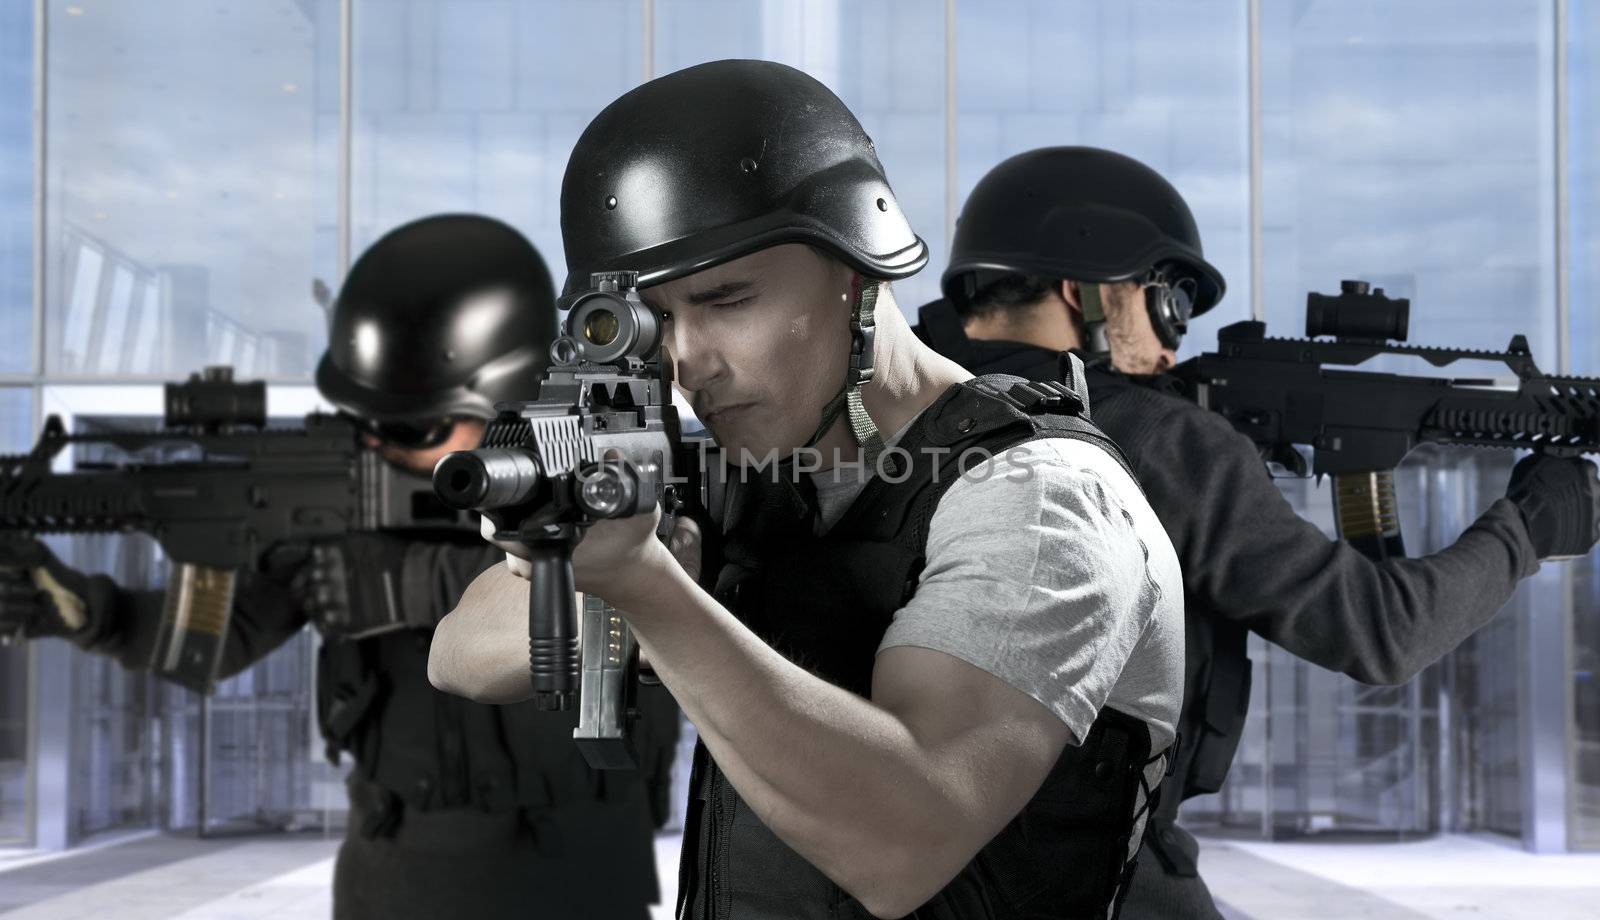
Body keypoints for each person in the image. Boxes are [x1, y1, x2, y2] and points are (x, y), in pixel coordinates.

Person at [428, 60, 1185, 920]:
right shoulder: (746, 478)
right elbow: (457, 655)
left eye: (727, 299)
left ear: (856, 271)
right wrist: (603, 570)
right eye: (658, 321)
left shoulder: (1040, 499)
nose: (690, 364)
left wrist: (648, 588)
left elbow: (903, 845)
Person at [917, 145, 1600, 919]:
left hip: (887, 860)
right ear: (1091, 291)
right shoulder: (1161, 439)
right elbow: (1379, 632)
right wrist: (1529, 528)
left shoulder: (899, 409)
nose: (1174, 340)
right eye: (1166, 299)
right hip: (1089, 876)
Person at [0, 214, 677, 920]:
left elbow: (637, 590)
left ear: (512, 395)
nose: (385, 447)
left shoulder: (612, 475)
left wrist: (406, 582)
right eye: (368, 419)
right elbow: (221, 638)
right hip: (399, 869)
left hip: (582, 870)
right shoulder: (329, 510)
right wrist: (92, 614)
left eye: (416, 426)